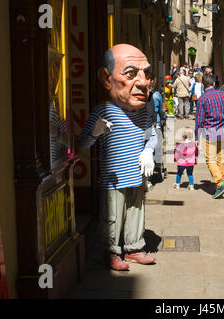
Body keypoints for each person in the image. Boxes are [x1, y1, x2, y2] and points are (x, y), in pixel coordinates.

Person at [77, 43, 157, 271]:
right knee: (112, 216)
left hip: (137, 175)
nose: (143, 83)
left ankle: (133, 248)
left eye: (147, 74)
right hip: (113, 178)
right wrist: (95, 132)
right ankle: (110, 251)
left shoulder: (143, 111)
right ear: (106, 78)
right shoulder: (103, 111)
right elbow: (82, 145)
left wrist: (149, 150)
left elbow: (151, 135)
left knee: (136, 212)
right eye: (131, 74)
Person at [195, 74, 224, 199]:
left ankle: (220, 183)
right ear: (214, 84)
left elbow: (199, 121)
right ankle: (219, 185)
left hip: (210, 132)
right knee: (220, 158)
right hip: (223, 130)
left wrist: (196, 137)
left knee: (210, 159)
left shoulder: (202, 99)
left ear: (203, 85)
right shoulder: (223, 95)